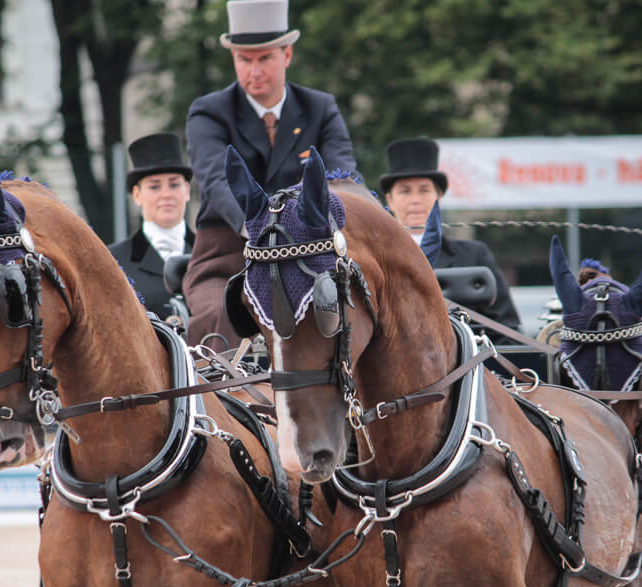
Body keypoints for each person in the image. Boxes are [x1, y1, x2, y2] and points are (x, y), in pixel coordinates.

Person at [182, 0, 357, 347]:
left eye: (264, 58)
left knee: (354, 311)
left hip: (312, 253)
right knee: (220, 315)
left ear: (287, 55)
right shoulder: (208, 112)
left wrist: (306, 226)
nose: (254, 70)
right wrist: (261, 227)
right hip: (227, 257)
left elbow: (342, 178)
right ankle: (215, 385)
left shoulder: (320, 108)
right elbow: (217, 180)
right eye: (243, 60)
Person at [382, 136, 522, 338]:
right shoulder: (377, 258)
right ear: (390, 200)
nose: (415, 200)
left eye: (424, 190)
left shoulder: (474, 256)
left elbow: (507, 330)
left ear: (438, 197)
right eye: (405, 191)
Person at [109, 133, 195, 320]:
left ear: (187, 190)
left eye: (174, 184)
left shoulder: (210, 254)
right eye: (155, 187)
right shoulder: (113, 260)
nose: (166, 194)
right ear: (137, 194)